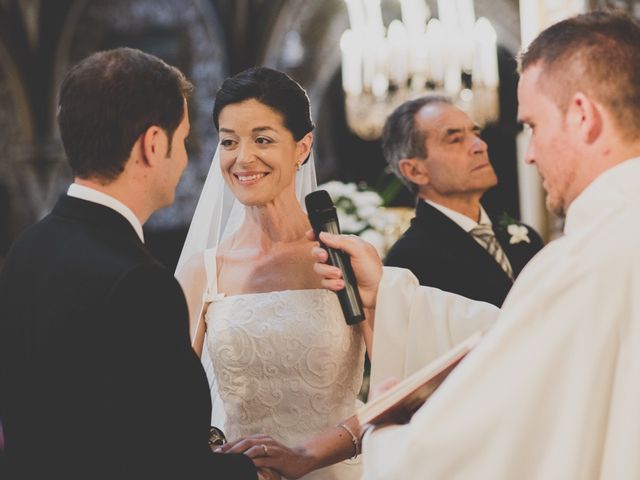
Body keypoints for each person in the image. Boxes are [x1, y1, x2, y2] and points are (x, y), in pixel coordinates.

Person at [312, 10, 640, 479]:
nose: (528, 152)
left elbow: (476, 445)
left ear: (584, 117)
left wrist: (388, 436)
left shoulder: (582, 263)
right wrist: (388, 292)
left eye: (534, 126)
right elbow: (520, 331)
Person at [0, 48, 259, 480]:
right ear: (153, 144)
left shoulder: (27, 248)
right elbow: (164, 461)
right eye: (183, 141)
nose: (184, 159)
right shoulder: (139, 283)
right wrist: (253, 473)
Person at [175, 66, 367, 480]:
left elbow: (397, 390)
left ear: (302, 148)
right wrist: (217, 452)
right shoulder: (203, 271)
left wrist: (309, 456)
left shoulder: (346, 257)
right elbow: (172, 404)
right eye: (229, 142)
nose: (243, 158)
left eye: (262, 139)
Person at [383, 96, 543, 306]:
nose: (480, 145)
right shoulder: (409, 260)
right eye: (455, 139)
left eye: (476, 133)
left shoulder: (526, 237)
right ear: (415, 171)